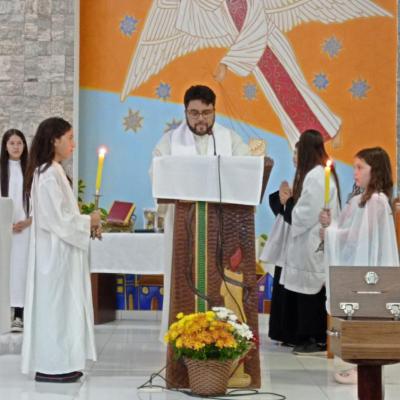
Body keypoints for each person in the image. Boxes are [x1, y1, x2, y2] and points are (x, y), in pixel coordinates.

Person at [152, 84, 250, 338]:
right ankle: (181, 336)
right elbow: (157, 172)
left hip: (222, 226)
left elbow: (246, 168)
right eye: (194, 113)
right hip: (186, 225)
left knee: (218, 277)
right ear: (185, 112)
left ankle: (223, 336)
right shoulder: (170, 141)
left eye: (206, 112)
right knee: (184, 278)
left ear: (214, 110)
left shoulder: (231, 140)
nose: (201, 119)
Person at [21, 117, 101, 383]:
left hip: (62, 253)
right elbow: (57, 220)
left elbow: (64, 215)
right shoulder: (46, 174)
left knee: (65, 308)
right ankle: (52, 366)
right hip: (53, 256)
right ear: (54, 140)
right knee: (55, 309)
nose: (73, 144)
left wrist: (85, 223)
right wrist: (88, 221)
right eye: (70, 138)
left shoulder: (54, 170)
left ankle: (64, 362)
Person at [320, 147, 399, 384]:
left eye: (360, 167)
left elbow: (360, 238)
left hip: (369, 264)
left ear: (375, 172)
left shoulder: (376, 200)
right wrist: (331, 225)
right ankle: (357, 364)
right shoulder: (362, 199)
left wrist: (331, 233)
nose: (354, 172)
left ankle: (362, 366)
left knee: (366, 315)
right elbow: (349, 231)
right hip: (362, 262)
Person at [281, 129, 341, 355]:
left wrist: (288, 206)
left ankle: (312, 337)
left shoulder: (316, 176)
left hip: (312, 240)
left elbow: (306, 213)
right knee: (308, 287)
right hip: (310, 239)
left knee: (310, 289)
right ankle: (309, 335)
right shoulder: (319, 174)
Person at [261, 143, 299, 346]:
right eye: (293, 152)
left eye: (298, 153)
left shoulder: (312, 178)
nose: (294, 157)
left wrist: (287, 200)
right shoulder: (299, 176)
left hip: (298, 240)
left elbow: (301, 211)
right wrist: (282, 199)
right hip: (287, 237)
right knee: (282, 282)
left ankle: (292, 332)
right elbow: (284, 207)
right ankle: (282, 331)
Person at [0, 129, 31, 333]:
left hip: (25, 229)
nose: (16, 147)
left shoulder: (31, 170)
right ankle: (5, 313)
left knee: (21, 269)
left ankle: (19, 314)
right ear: (5, 146)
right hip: (4, 228)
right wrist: (5, 222)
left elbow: (36, 200)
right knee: (5, 269)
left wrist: (28, 221)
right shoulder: (2, 170)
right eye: (12, 143)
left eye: (19, 143)